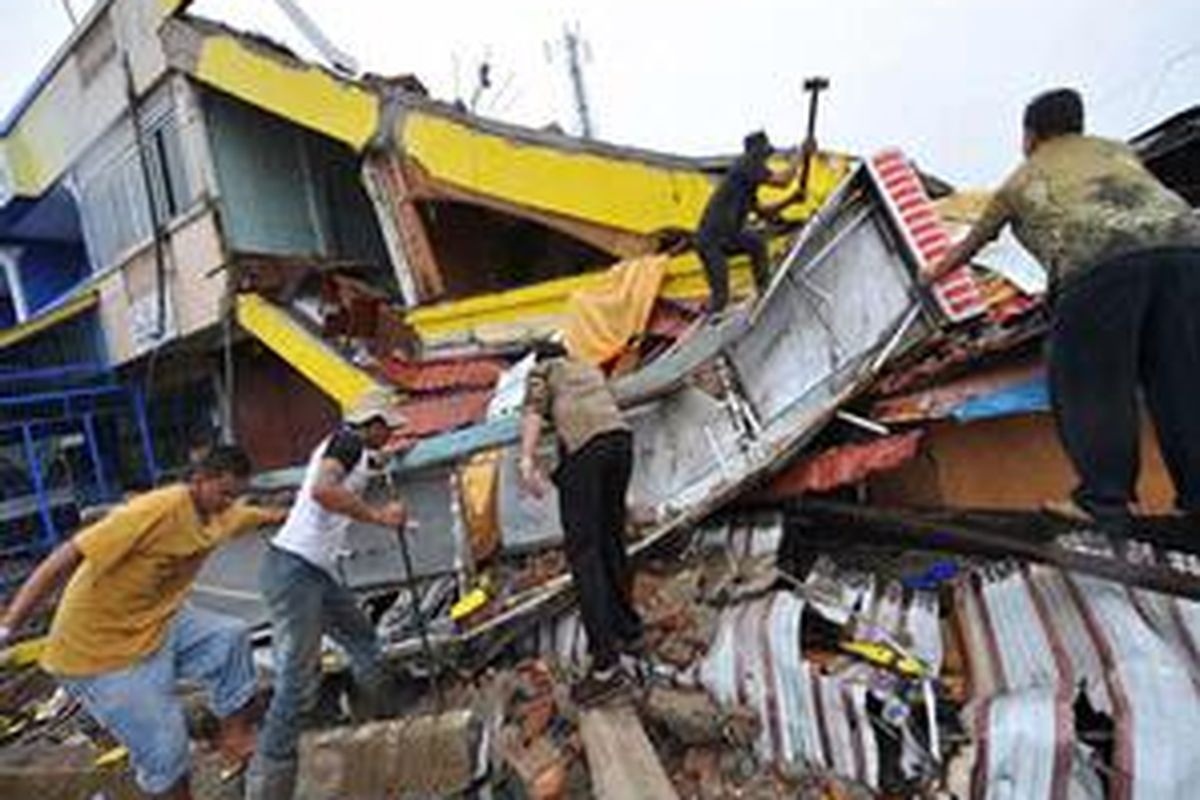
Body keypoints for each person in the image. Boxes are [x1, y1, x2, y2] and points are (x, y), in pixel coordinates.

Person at [924, 88, 1200, 533]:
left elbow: (969, 247)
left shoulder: (1021, 180)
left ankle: (1105, 502)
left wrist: (927, 276)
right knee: (1182, 379)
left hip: (1098, 264)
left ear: (1030, 135)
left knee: (1090, 380)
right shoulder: (1119, 153)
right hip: (1187, 255)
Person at [0, 445, 285, 800]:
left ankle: (233, 738)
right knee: (167, 751)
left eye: (235, 496)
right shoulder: (154, 510)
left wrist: (300, 512)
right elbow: (62, 559)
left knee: (228, 638)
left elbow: (260, 516)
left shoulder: (224, 513)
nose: (229, 503)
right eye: (224, 493)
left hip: (155, 624)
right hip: (99, 655)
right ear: (199, 481)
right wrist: (8, 626)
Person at [246, 388, 411, 800]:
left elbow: (348, 471)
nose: (389, 435)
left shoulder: (347, 446)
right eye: (386, 429)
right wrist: (378, 516)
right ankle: (269, 778)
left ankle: (384, 723)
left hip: (311, 571)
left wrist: (384, 460)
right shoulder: (348, 443)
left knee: (362, 639)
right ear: (371, 425)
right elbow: (323, 490)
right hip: (295, 570)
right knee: (297, 680)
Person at [518, 340, 643, 706]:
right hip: (621, 443)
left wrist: (526, 459)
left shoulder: (545, 370)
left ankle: (605, 667)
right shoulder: (587, 368)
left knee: (584, 556)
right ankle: (629, 630)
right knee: (611, 542)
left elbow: (532, 409)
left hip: (587, 451)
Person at [695, 130, 808, 314]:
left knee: (756, 243)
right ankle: (711, 318)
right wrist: (802, 154)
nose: (765, 160)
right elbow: (784, 180)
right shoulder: (746, 165)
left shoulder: (747, 184)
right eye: (764, 155)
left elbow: (765, 213)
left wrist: (792, 200)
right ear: (756, 153)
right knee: (721, 298)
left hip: (727, 236)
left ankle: (764, 290)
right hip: (711, 242)